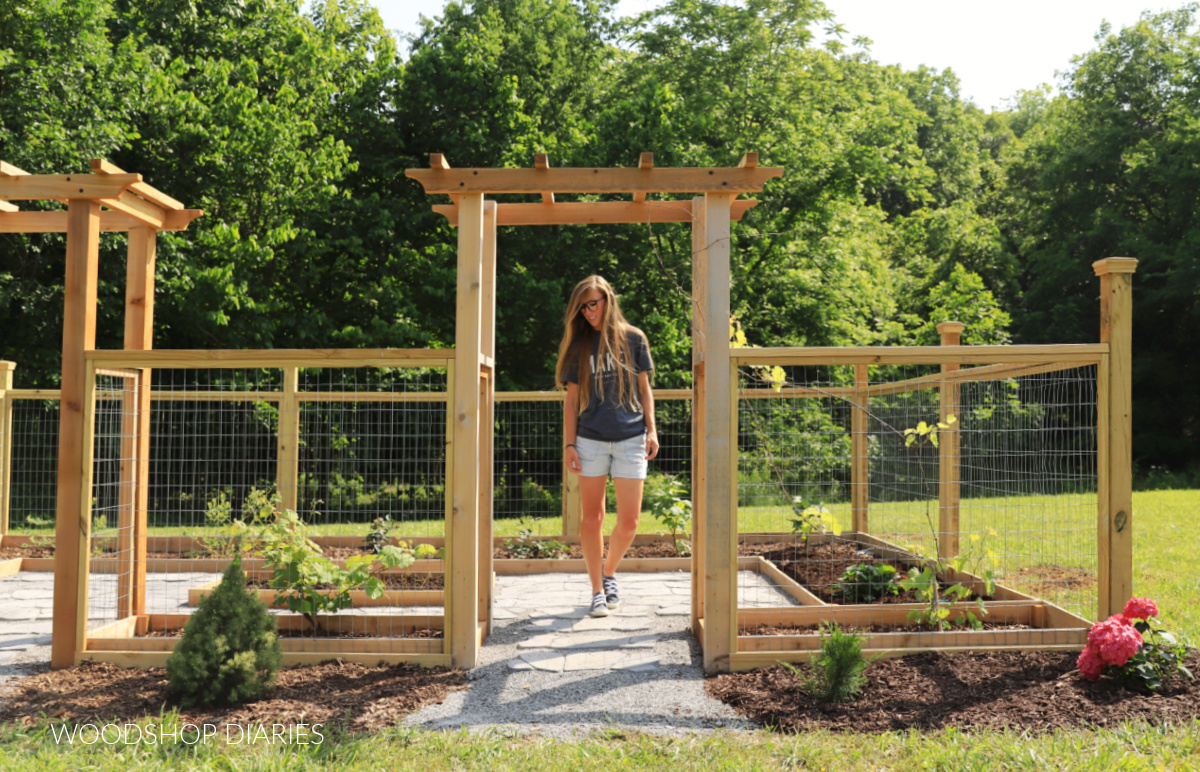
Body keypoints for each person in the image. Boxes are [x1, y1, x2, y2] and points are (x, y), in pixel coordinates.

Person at [556, 276, 659, 617]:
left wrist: (652, 430)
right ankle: (597, 590)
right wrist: (570, 444)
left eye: (593, 303)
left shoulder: (634, 339)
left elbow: (645, 390)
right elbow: (571, 402)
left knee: (629, 522)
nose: (588, 312)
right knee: (592, 518)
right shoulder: (579, 346)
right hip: (590, 440)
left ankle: (610, 572)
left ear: (608, 299)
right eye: (582, 307)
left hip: (631, 437)